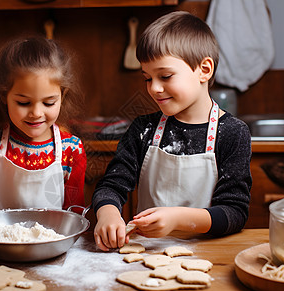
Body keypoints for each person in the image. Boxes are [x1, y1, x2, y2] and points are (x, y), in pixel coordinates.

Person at [92, 11, 252, 251]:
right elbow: (111, 185)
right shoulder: (143, 129)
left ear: (204, 70)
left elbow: (234, 212)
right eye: (147, 78)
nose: (154, 88)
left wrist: (178, 219)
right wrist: (108, 213)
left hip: (207, 256)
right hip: (147, 253)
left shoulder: (232, 133)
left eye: (165, 76)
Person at [0, 37, 87, 250]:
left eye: (49, 102)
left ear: (63, 94)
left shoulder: (72, 149)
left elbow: (73, 213)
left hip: (50, 256)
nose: (36, 113)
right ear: (4, 95)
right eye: (23, 102)